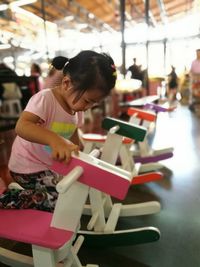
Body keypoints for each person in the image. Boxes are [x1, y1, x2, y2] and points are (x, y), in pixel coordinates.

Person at [0, 50, 117, 211]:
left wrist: (80, 150)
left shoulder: (77, 109)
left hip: (49, 167)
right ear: (67, 83)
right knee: (58, 199)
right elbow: (22, 126)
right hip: (26, 167)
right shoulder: (45, 99)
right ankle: (10, 197)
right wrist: (54, 139)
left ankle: (35, 195)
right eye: (87, 101)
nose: (88, 107)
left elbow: (73, 131)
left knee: (69, 191)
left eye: (93, 104)